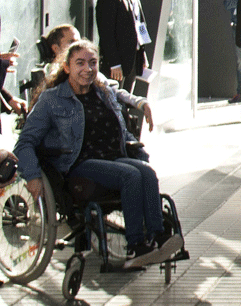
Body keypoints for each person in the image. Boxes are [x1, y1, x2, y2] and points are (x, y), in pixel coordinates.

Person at [14, 39, 183, 268]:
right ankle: (137, 245)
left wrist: (141, 107)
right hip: (79, 164)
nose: (87, 69)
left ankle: (158, 237)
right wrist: (32, 175)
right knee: (131, 175)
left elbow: (121, 109)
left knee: (146, 172)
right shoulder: (52, 100)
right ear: (67, 67)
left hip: (113, 157)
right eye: (80, 63)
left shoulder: (102, 91)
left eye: (92, 63)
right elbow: (24, 142)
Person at [95, 0, 152, 92]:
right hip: (118, 63)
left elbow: (140, 25)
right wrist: (114, 63)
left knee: (127, 100)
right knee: (114, 101)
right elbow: (106, 33)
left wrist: (142, 53)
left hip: (133, 59)